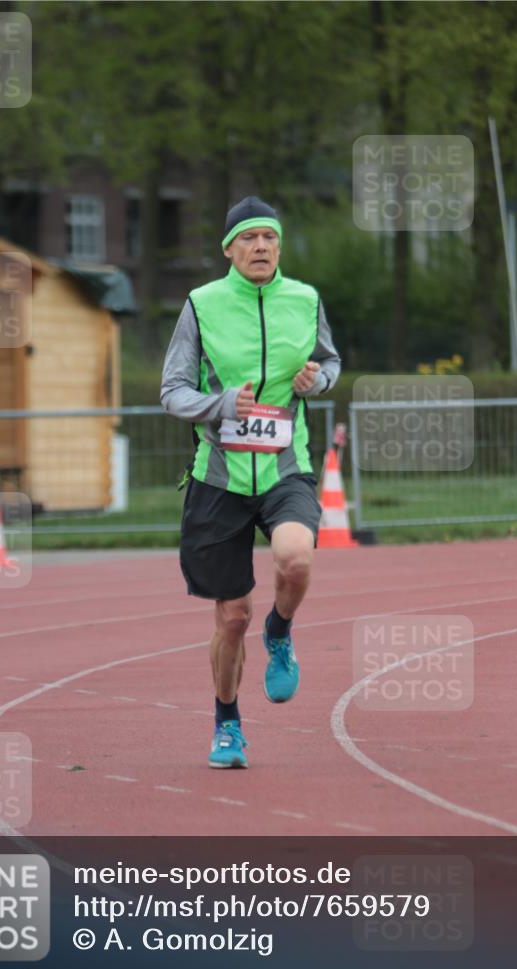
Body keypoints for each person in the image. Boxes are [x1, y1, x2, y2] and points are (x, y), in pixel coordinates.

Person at [160, 196, 341, 769]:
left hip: (286, 467)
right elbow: (173, 390)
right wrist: (219, 404)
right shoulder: (201, 305)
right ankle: (227, 723)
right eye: (249, 238)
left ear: (280, 247)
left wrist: (316, 381)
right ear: (229, 250)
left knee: (296, 559)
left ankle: (281, 631)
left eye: (269, 237)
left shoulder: (305, 300)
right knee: (231, 617)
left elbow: (330, 363)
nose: (261, 246)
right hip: (219, 478)